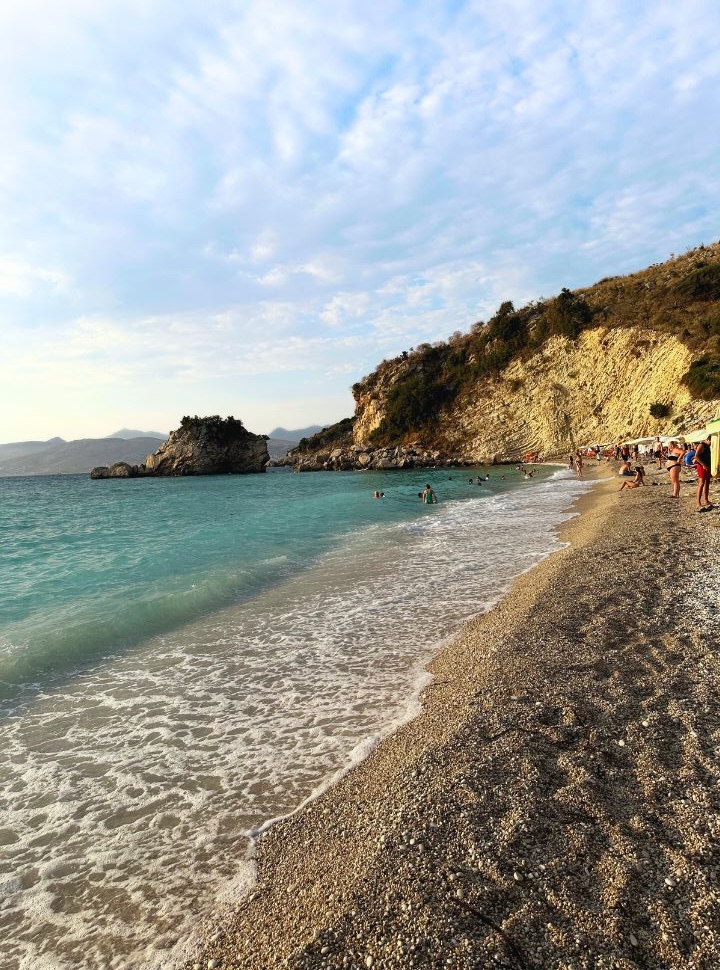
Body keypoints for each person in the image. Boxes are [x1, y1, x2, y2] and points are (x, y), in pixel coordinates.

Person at [694, 436, 712, 511]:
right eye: (711, 441)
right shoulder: (702, 445)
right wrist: (704, 465)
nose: (711, 443)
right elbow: (696, 456)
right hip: (702, 466)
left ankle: (706, 500)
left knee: (707, 483)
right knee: (701, 483)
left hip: (707, 466)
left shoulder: (707, 446)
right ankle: (698, 502)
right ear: (708, 439)